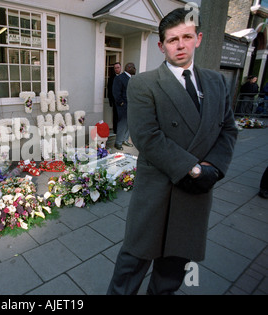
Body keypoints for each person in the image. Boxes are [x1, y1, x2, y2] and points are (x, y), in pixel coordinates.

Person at [107, 7, 238, 295]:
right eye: (172, 39)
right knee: (130, 268)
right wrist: (193, 169)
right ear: (161, 45)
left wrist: (213, 169)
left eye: (187, 37)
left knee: (172, 273)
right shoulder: (144, 83)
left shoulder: (217, 83)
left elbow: (228, 129)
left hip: (195, 195)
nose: (180, 45)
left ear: (198, 38)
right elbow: (147, 137)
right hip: (157, 191)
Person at [112, 62, 136, 150]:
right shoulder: (120, 78)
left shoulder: (132, 78)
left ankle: (125, 140)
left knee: (129, 124)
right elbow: (116, 93)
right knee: (122, 124)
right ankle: (118, 142)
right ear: (129, 68)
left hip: (131, 106)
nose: (135, 69)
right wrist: (121, 103)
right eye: (134, 68)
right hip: (123, 106)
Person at [108, 62, 121, 134]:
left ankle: (121, 130)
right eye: (115, 68)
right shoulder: (111, 78)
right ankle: (116, 131)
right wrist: (110, 101)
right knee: (115, 116)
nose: (116, 69)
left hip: (123, 101)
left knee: (122, 117)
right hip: (115, 100)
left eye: (118, 67)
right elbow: (109, 89)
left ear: (120, 68)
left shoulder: (123, 77)